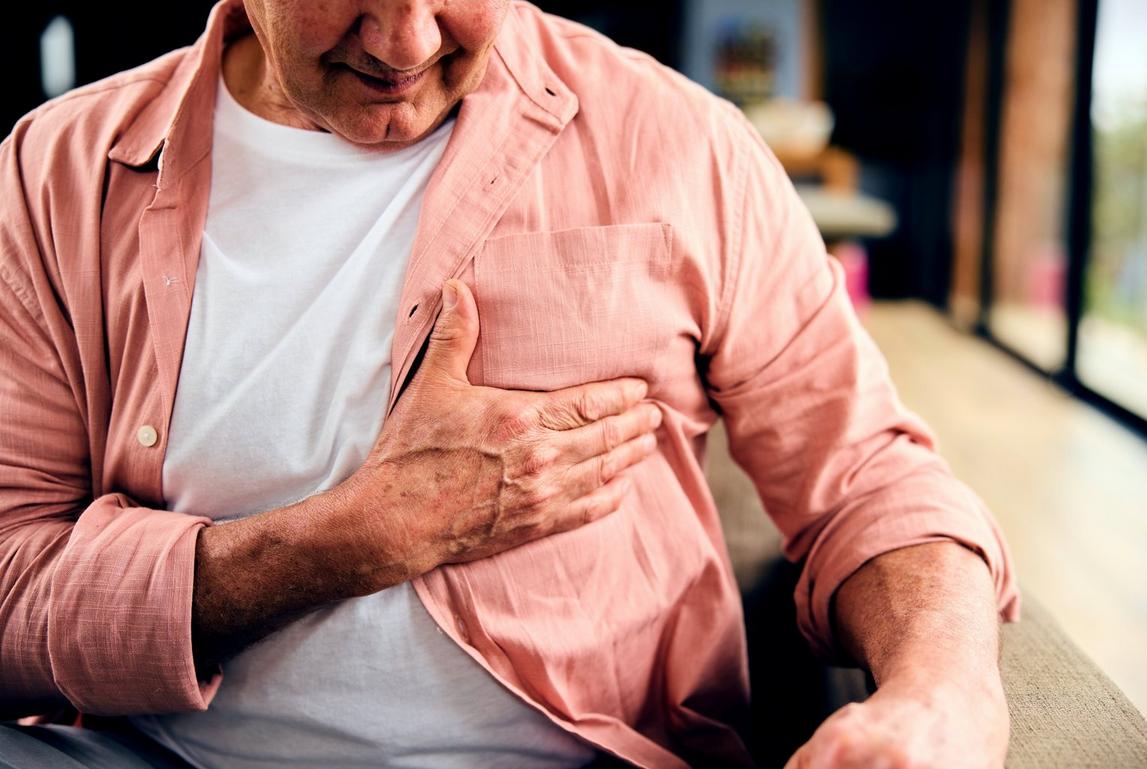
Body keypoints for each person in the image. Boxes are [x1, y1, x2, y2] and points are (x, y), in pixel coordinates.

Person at [0, 1, 1020, 767]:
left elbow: (870, 483)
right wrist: (356, 535)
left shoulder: (681, 144)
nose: (403, 43)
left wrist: (943, 693)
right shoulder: (56, 174)